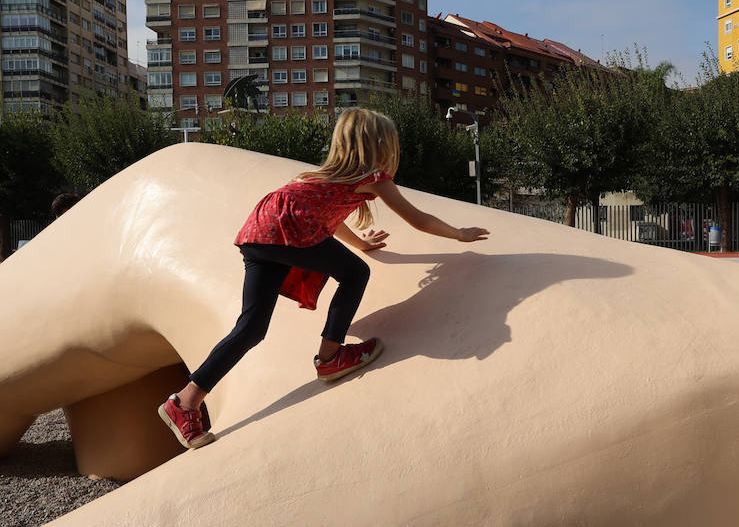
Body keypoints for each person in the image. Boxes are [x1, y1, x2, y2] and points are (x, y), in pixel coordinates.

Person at [158, 108, 490, 450]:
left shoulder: (319, 176)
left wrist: (361, 243)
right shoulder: (373, 176)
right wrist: (458, 234)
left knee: (251, 328)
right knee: (356, 272)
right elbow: (416, 219)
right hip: (286, 230)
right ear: (381, 146)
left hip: (259, 232)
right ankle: (330, 356)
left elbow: (322, 218)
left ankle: (184, 401)